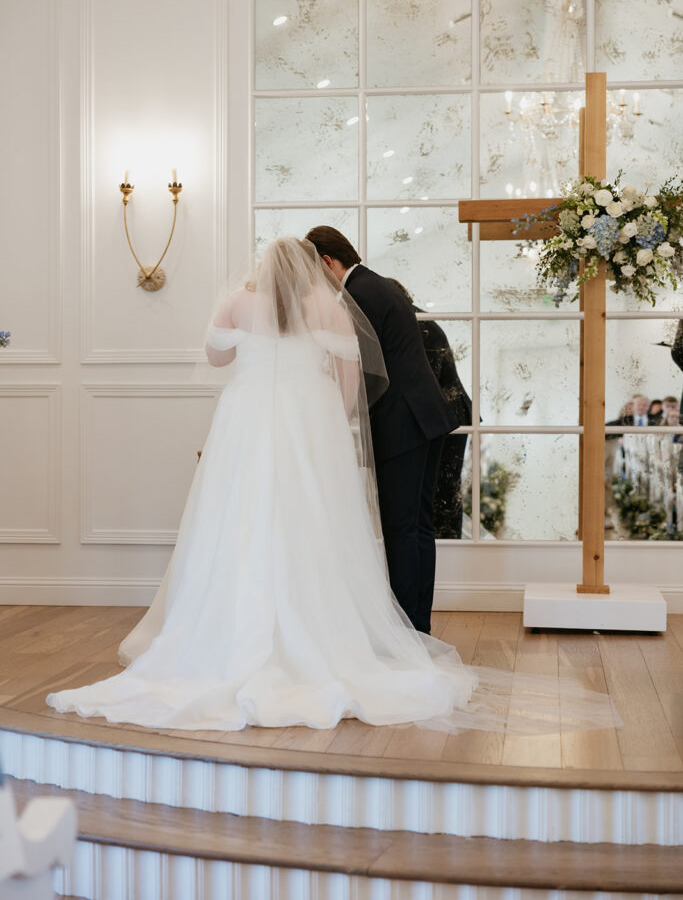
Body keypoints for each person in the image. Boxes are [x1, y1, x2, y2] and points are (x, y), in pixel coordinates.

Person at [46, 239, 619, 736]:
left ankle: (226, 633)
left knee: (240, 521)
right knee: (313, 528)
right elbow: (352, 377)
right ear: (307, 268)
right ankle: (325, 635)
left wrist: (244, 320)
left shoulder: (241, 300)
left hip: (246, 426)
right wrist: (328, 416)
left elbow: (215, 356)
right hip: (306, 425)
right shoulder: (325, 303)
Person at [305, 227, 457, 634]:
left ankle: (408, 630)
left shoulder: (359, 295)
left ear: (326, 262)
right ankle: (418, 626)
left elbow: (359, 368)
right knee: (419, 527)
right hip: (425, 417)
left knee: (402, 528)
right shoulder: (377, 285)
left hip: (403, 423)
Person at [385, 278, 472, 540]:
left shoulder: (419, 325)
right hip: (446, 412)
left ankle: (447, 543)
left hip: (448, 415)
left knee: (442, 489)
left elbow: (424, 380)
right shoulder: (416, 320)